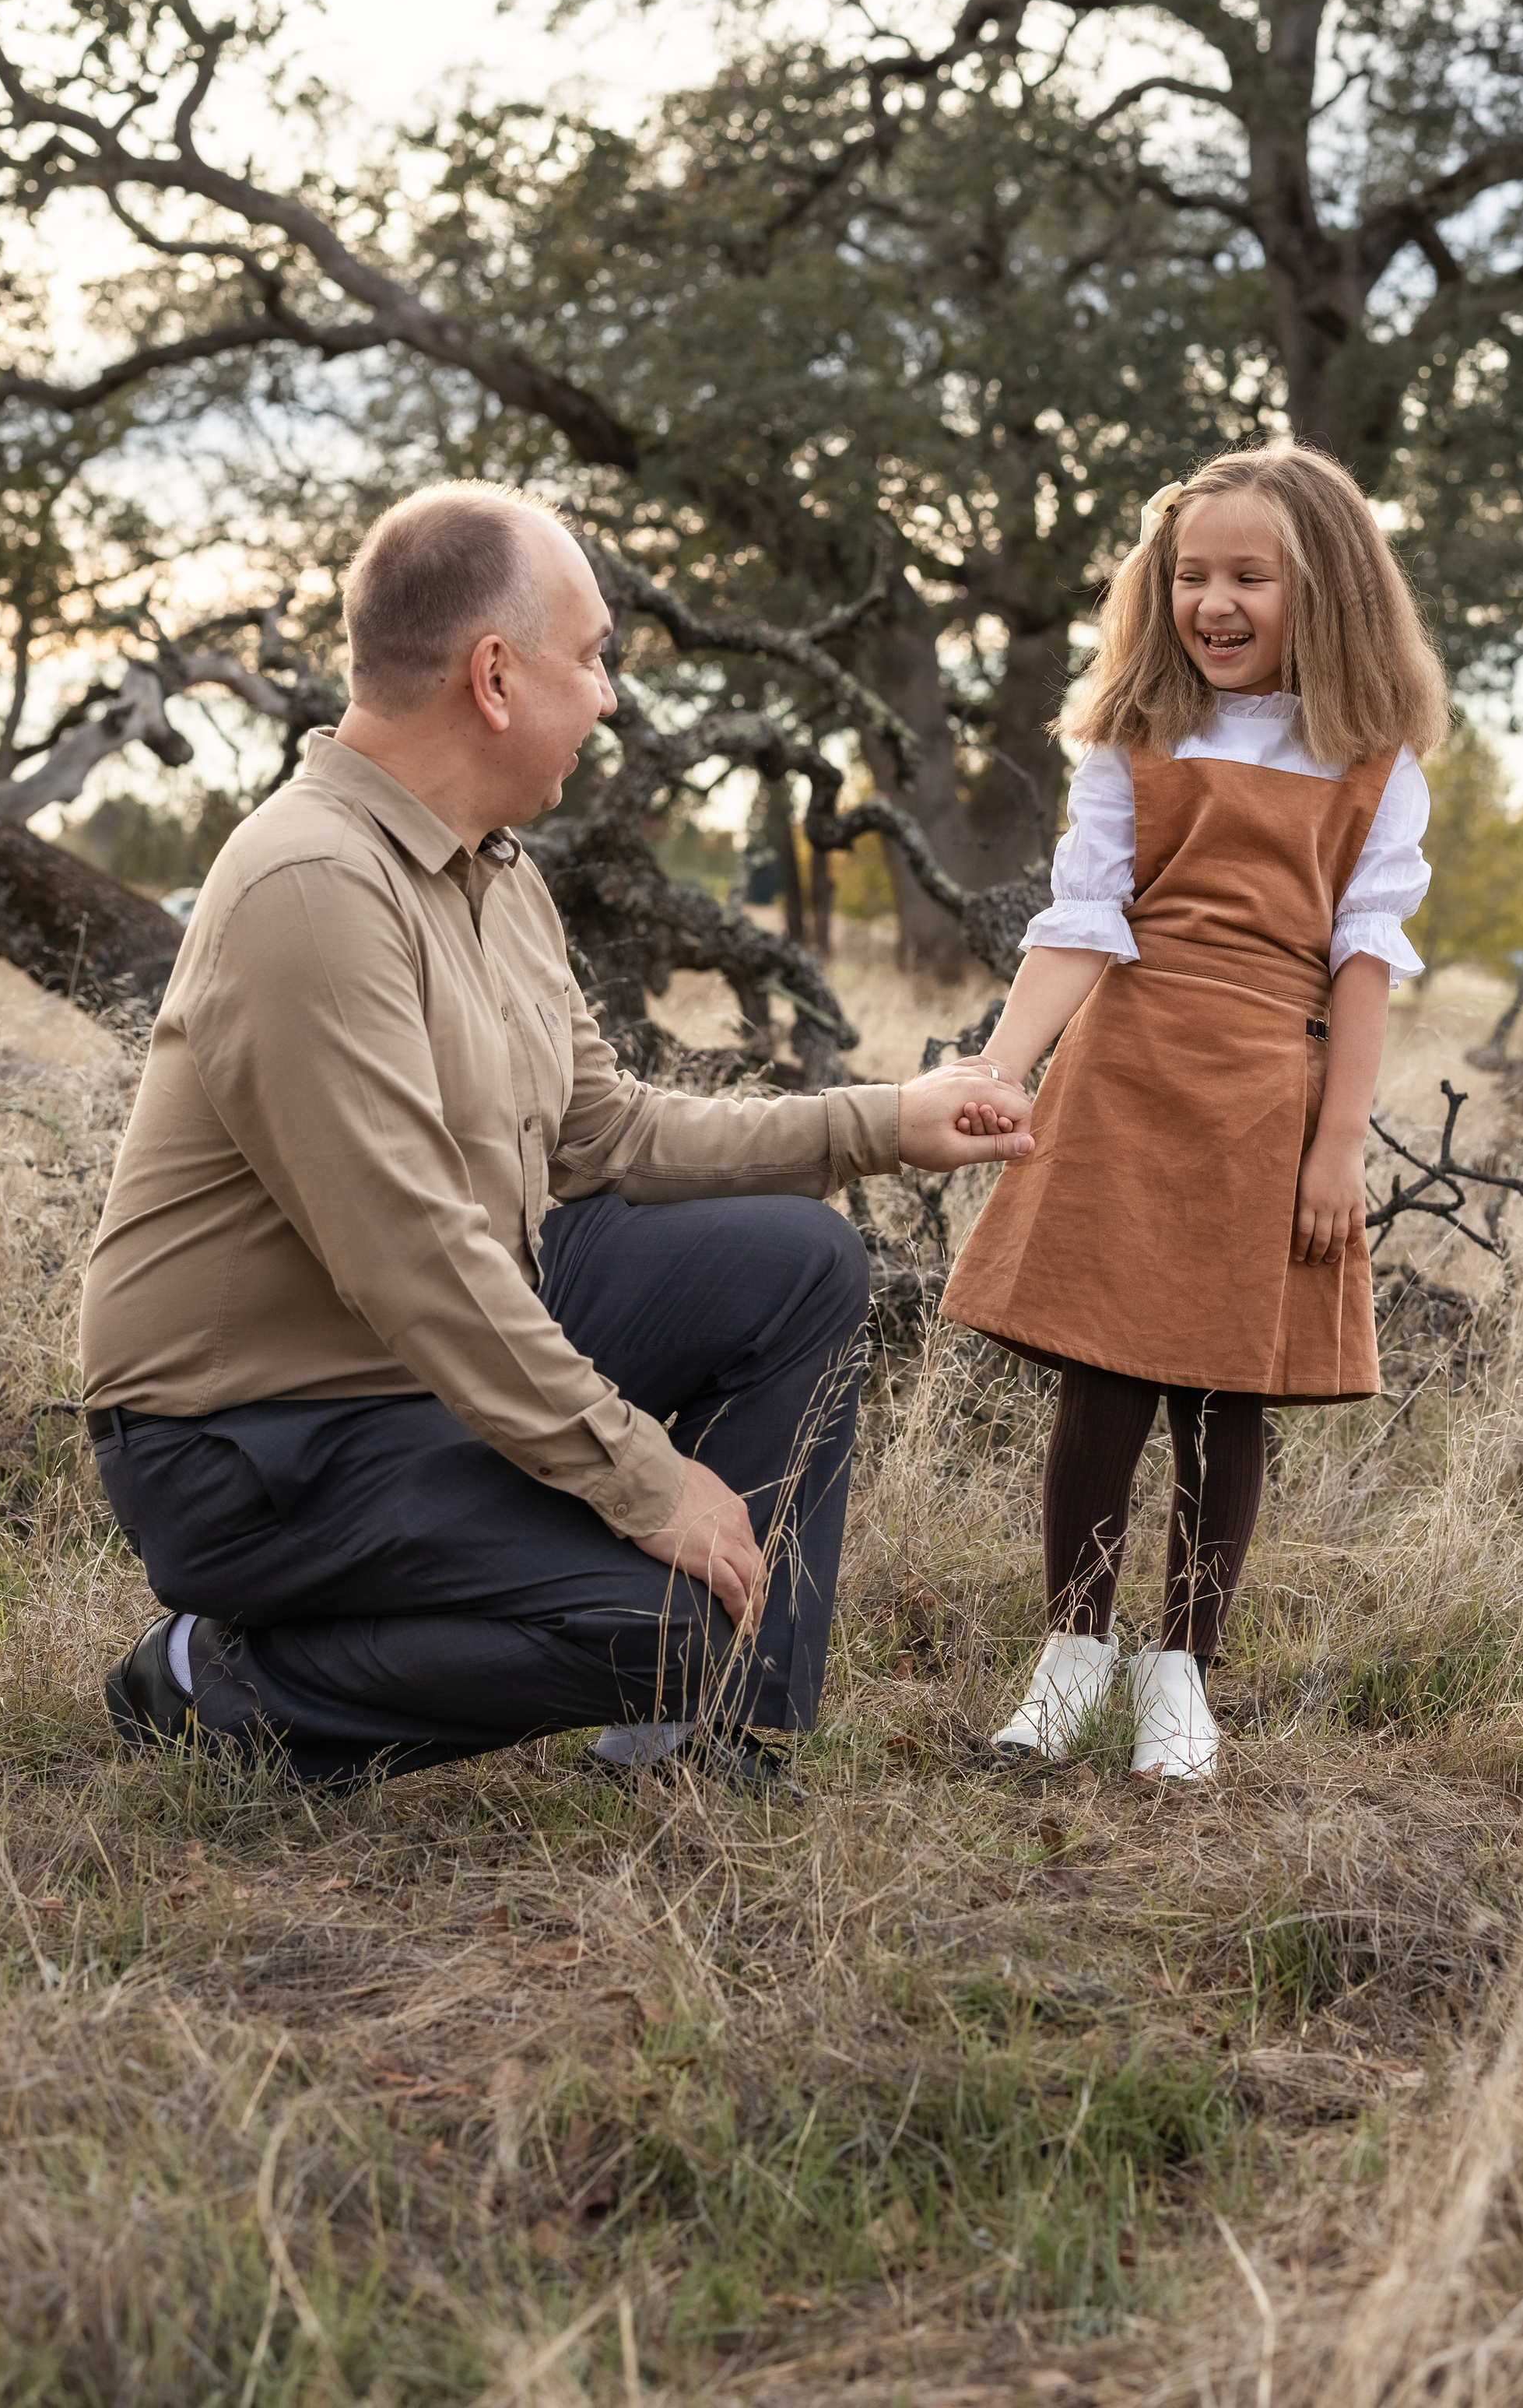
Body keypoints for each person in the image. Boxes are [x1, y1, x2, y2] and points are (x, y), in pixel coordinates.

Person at [80, 483, 1033, 1788]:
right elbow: (414, 1260)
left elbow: (606, 1130)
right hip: (258, 1443)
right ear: (493, 676)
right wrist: (648, 1483)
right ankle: (214, 1679)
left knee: (803, 1264)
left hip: (419, 1364)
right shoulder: (312, 886)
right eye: (590, 660)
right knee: (669, 1619)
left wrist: (881, 1125)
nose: (609, 699)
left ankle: (716, 1735)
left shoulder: (495, 868)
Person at [941, 447, 1446, 1783]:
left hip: (1269, 1098)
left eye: (1247, 577)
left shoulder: (1374, 765)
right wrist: (1001, 1072)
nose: (1211, 602)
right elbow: (1082, 924)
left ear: (1322, 590)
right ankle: (1071, 1660)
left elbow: (1364, 965)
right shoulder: (1135, 734)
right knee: (1103, 1376)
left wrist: (1338, 1148)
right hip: (1127, 1078)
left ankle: (1181, 1677)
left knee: (1229, 1395)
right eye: (1188, 575)